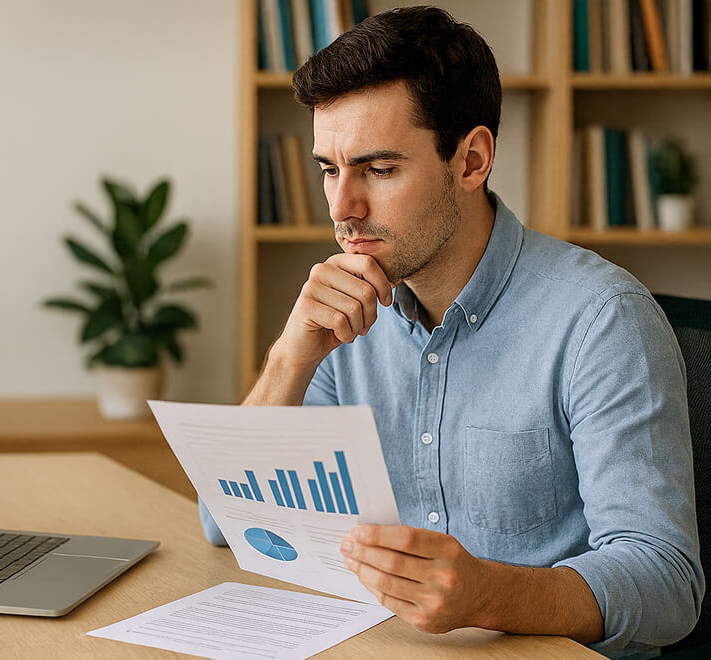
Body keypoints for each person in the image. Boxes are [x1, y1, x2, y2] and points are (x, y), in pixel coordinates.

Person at [199, 6, 702, 657]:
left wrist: (486, 595)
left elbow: (666, 587)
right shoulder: (343, 316)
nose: (341, 209)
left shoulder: (601, 318)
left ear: (471, 161)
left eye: (379, 170)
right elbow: (227, 522)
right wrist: (289, 358)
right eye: (330, 169)